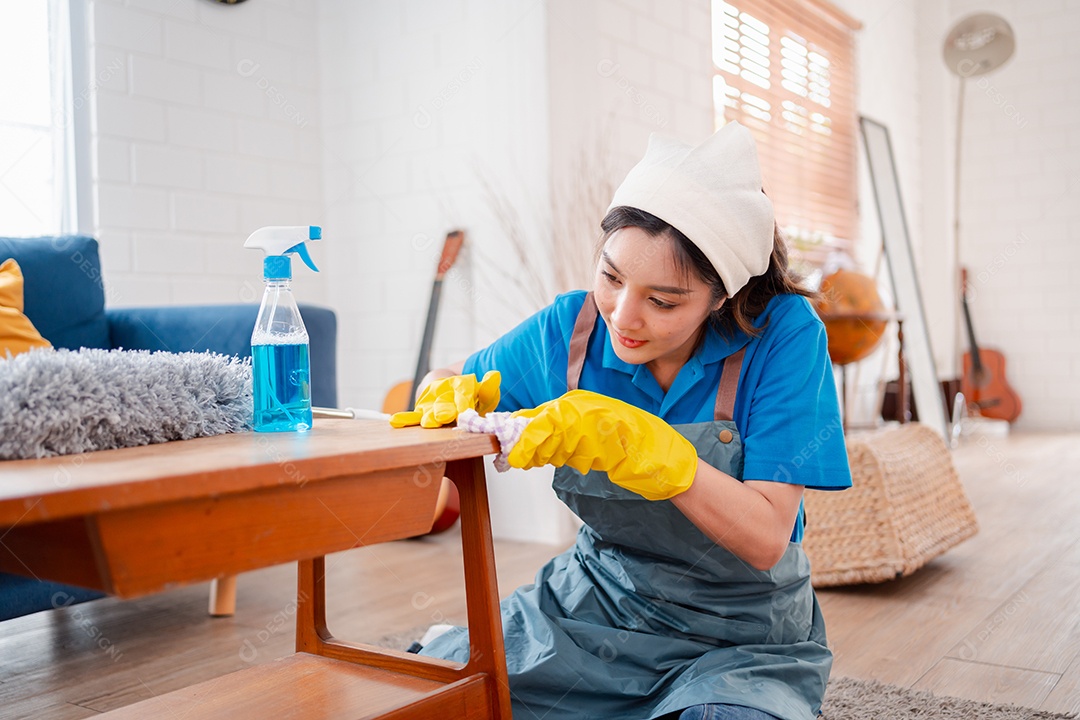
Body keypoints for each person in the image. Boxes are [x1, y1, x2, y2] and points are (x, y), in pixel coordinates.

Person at [391, 122, 852, 720]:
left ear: (721, 296)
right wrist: (445, 392)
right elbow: (444, 378)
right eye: (610, 277)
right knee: (439, 694)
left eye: (662, 301)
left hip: (738, 633)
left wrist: (647, 449)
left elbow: (766, 538)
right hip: (594, 608)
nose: (623, 317)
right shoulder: (574, 329)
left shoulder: (782, 335)